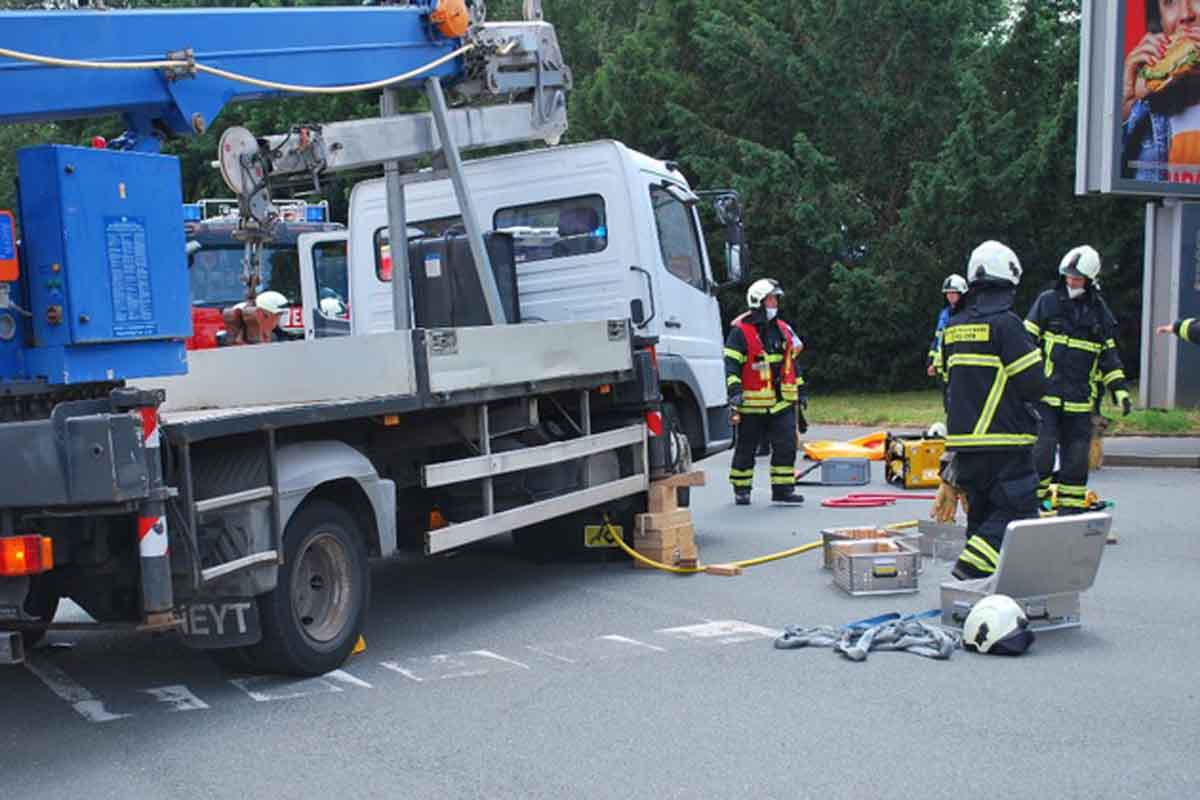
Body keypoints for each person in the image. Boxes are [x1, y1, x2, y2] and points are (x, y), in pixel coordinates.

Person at [935, 241, 1048, 580]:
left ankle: (978, 596)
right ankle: (969, 571)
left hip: (966, 442)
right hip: (1005, 439)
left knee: (982, 516)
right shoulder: (1006, 324)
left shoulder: (953, 327)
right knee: (1019, 510)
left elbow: (947, 381)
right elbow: (1033, 384)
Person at [1025, 246, 1132, 513]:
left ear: (1090, 279)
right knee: (1042, 454)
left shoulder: (1099, 313)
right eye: (1068, 276)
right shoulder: (1047, 302)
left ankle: (1070, 514)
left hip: (1079, 402)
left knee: (1075, 462)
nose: (1072, 281)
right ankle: (1031, 510)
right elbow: (1025, 342)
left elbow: (1109, 356)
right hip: (1045, 397)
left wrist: (1119, 389)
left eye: (1078, 277)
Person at [725, 278, 805, 505]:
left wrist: (801, 390)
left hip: (781, 402)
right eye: (771, 299)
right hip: (752, 404)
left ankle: (783, 490)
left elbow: (792, 362)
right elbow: (731, 364)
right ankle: (742, 489)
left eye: (775, 299)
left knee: (787, 446)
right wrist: (734, 390)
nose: (775, 303)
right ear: (758, 301)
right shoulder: (740, 332)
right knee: (746, 449)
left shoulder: (782, 329)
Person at [1121, 1, 1200, 182]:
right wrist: (1126, 103)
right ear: (1160, 21)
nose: (1185, 15)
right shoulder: (1144, 105)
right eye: (1169, 1)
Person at [927, 275, 968, 409]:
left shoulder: (968, 314)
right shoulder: (944, 314)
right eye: (948, 293)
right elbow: (938, 339)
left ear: (962, 293)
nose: (950, 296)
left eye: (953, 293)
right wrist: (931, 361)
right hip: (943, 367)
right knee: (949, 404)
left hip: (960, 364)